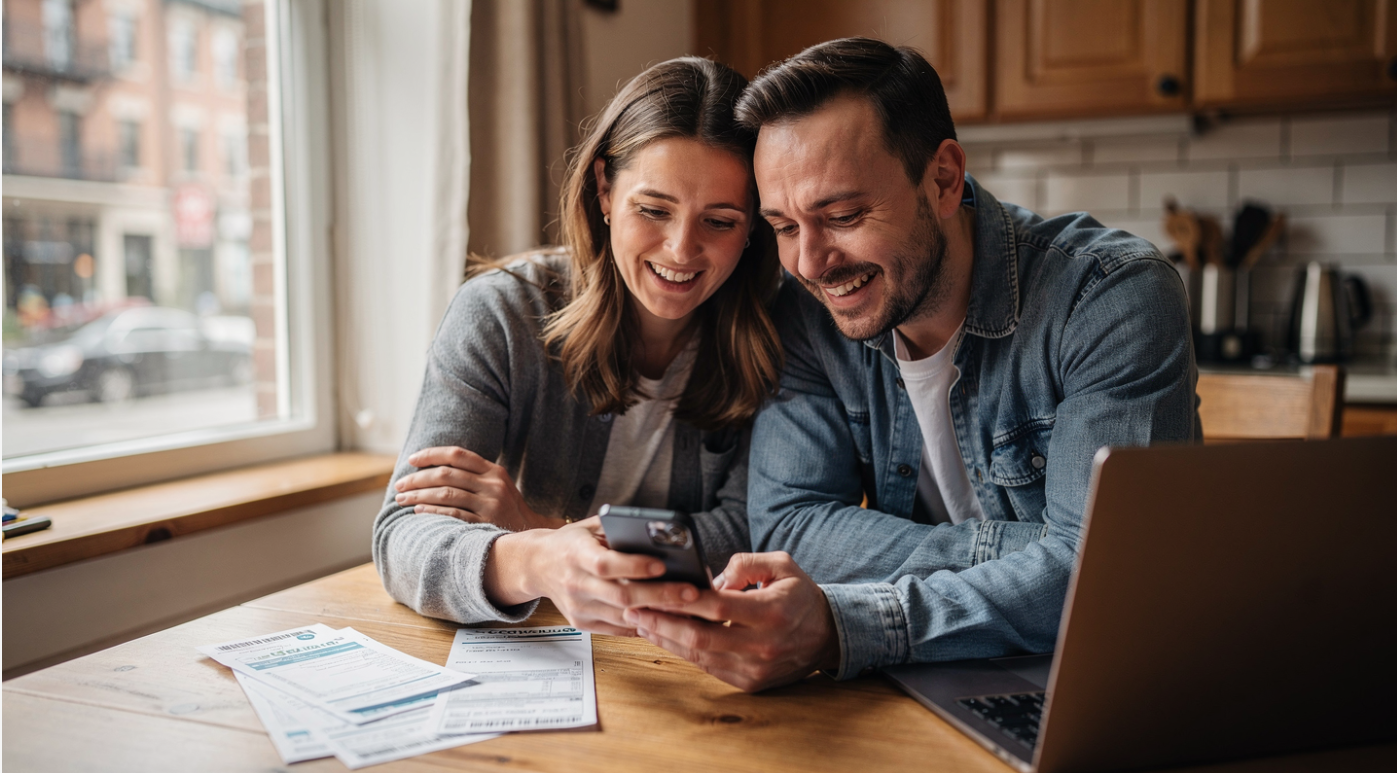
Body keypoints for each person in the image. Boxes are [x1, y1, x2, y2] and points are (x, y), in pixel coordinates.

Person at [621, 38, 1200, 691]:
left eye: (843, 215)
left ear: (944, 179)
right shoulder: (807, 314)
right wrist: (1037, 553)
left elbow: (1107, 579)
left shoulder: (1106, 297)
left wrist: (850, 624)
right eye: (783, 227)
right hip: (927, 675)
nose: (809, 263)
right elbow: (792, 525)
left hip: (1104, 681)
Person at [373, 56, 782, 634]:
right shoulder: (500, 314)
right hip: (535, 642)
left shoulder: (778, 331)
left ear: (753, 227)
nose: (681, 249)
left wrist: (542, 527)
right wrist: (537, 561)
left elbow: (753, 533)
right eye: (654, 210)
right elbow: (403, 537)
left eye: (719, 221)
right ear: (604, 189)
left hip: (692, 654)